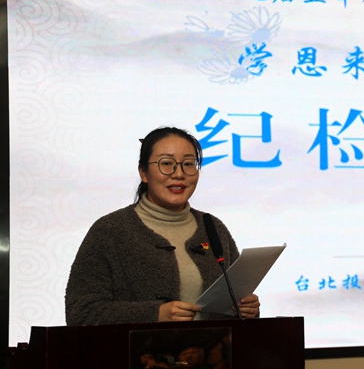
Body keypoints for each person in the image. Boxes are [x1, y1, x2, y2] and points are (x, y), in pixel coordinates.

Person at [65, 127, 260, 325]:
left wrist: (246, 309)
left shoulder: (213, 228)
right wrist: (155, 314)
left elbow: (236, 302)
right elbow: (81, 313)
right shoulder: (110, 231)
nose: (179, 174)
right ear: (143, 172)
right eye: (166, 163)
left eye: (188, 164)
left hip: (212, 345)